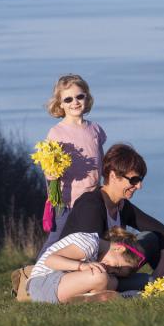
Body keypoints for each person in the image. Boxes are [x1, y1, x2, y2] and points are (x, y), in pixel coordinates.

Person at [60, 143, 164, 290]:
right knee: (147, 282)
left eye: (140, 180)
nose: (139, 186)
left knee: (151, 238)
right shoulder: (91, 206)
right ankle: (157, 282)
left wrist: (161, 270)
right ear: (113, 176)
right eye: (134, 180)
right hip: (86, 276)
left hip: (115, 270)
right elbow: (91, 258)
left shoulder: (122, 205)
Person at [37, 74, 107, 257]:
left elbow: (101, 156)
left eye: (79, 96)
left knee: (90, 238)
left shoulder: (95, 129)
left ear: (87, 97)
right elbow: (48, 163)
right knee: (57, 239)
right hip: (66, 200)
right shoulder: (56, 132)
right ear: (60, 104)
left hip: (92, 196)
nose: (74, 102)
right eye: (68, 99)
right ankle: (36, 274)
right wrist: (51, 176)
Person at [28, 227, 145, 304]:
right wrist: (81, 266)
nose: (111, 269)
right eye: (117, 266)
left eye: (115, 271)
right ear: (119, 248)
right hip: (43, 283)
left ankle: (88, 298)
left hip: (59, 283)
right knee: (100, 277)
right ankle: (95, 298)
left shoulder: (98, 253)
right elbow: (50, 260)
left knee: (113, 281)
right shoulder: (89, 244)